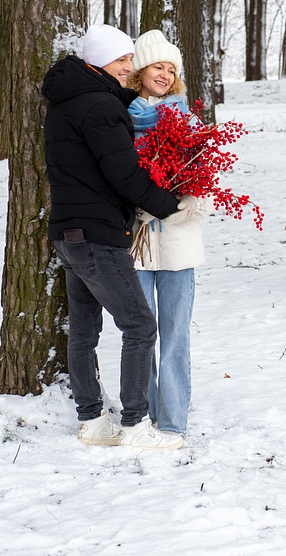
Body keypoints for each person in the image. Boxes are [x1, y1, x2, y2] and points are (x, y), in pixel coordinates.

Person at [42, 24, 195, 450]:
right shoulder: (99, 107)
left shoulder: (69, 99)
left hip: (67, 232)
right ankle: (135, 425)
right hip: (98, 234)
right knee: (141, 325)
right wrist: (173, 205)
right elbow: (125, 175)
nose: (130, 68)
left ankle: (92, 421)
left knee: (84, 330)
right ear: (100, 62)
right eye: (123, 60)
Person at [126, 29, 209, 438]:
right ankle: (145, 415)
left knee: (174, 336)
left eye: (171, 68)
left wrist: (190, 201)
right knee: (141, 335)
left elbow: (206, 174)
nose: (164, 74)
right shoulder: (123, 117)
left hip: (178, 242)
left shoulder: (185, 119)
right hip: (137, 242)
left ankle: (174, 422)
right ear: (140, 70)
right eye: (158, 65)